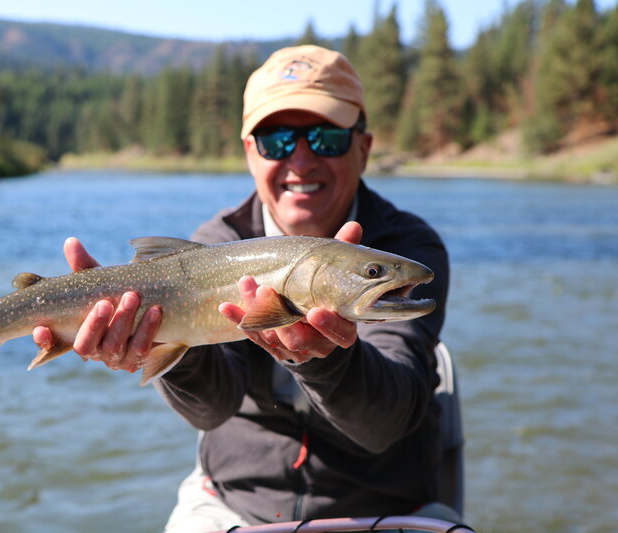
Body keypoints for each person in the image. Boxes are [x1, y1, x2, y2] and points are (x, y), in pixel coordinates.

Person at [33, 45, 459, 531]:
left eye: (326, 138)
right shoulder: (215, 243)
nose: (301, 158)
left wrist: (327, 356)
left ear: (363, 148)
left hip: (386, 507)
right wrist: (162, 341)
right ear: (249, 153)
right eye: (276, 140)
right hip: (236, 506)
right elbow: (213, 408)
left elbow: (384, 424)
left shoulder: (406, 250)